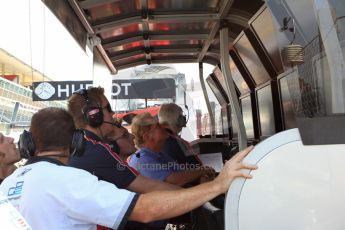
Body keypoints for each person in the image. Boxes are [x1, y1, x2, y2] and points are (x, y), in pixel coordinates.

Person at [0, 107, 257, 229]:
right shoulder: (68, 180)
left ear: (30, 142)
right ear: (76, 141)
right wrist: (218, 185)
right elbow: (144, 210)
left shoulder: (8, 186)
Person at [68, 87, 180, 193]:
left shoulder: (80, 145)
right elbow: (149, 187)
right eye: (108, 108)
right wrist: (193, 193)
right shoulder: (97, 150)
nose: (112, 113)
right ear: (94, 115)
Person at [128, 113, 214, 186]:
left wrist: (203, 173)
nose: (164, 126)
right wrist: (202, 172)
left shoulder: (158, 154)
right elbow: (175, 180)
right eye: (158, 126)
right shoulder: (142, 159)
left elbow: (181, 172)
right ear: (148, 137)